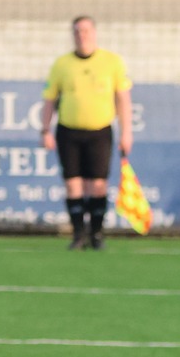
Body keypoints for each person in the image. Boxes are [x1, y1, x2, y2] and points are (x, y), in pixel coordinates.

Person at [41, 16, 132, 250]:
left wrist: (126, 132)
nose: (82, 35)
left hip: (100, 131)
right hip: (68, 132)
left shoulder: (111, 62)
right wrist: (45, 130)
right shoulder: (62, 64)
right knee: (73, 185)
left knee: (98, 185)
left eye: (86, 30)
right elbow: (50, 99)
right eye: (77, 31)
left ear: (94, 32)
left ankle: (97, 234)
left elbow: (123, 99)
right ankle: (78, 235)